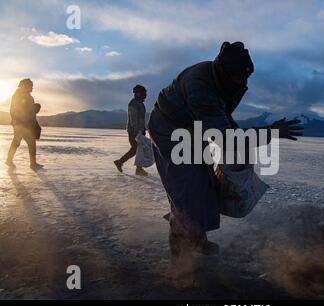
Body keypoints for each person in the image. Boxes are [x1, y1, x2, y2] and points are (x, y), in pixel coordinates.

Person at [148, 41, 303, 257]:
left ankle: (198, 239)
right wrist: (270, 132)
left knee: (204, 183)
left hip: (194, 128)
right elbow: (225, 136)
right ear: (224, 70)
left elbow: (224, 119)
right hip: (169, 130)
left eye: (247, 77)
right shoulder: (200, 86)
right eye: (240, 76)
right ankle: (181, 259)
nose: (244, 82)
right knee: (185, 187)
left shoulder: (225, 82)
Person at [5, 78, 44, 171]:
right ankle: (32, 164)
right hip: (21, 124)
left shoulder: (30, 97)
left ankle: (9, 160)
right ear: (24, 85)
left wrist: (35, 109)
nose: (32, 87)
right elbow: (13, 110)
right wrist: (18, 121)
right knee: (26, 142)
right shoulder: (17, 96)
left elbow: (30, 112)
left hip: (28, 124)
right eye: (30, 85)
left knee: (20, 142)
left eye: (31, 85)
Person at [114, 84, 149, 176]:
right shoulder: (133, 104)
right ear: (137, 93)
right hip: (134, 131)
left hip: (140, 131)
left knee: (136, 150)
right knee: (138, 149)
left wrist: (143, 129)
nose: (145, 95)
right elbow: (133, 119)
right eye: (143, 93)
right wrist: (137, 132)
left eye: (145, 93)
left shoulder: (141, 104)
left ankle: (120, 162)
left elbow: (141, 119)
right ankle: (138, 169)